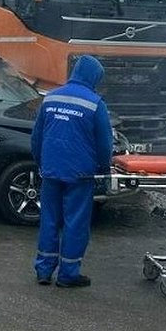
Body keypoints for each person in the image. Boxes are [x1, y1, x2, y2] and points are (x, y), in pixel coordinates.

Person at [31, 55, 113, 288]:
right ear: (94, 77)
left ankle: (44, 270)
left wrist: (40, 162)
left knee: (49, 220)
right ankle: (68, 274)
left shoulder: (50, 98)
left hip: (51, 170)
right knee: (75, 223)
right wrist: (104, 169)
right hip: (79, 174)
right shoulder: (95, 104)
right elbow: (104, 144)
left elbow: (37, 136)